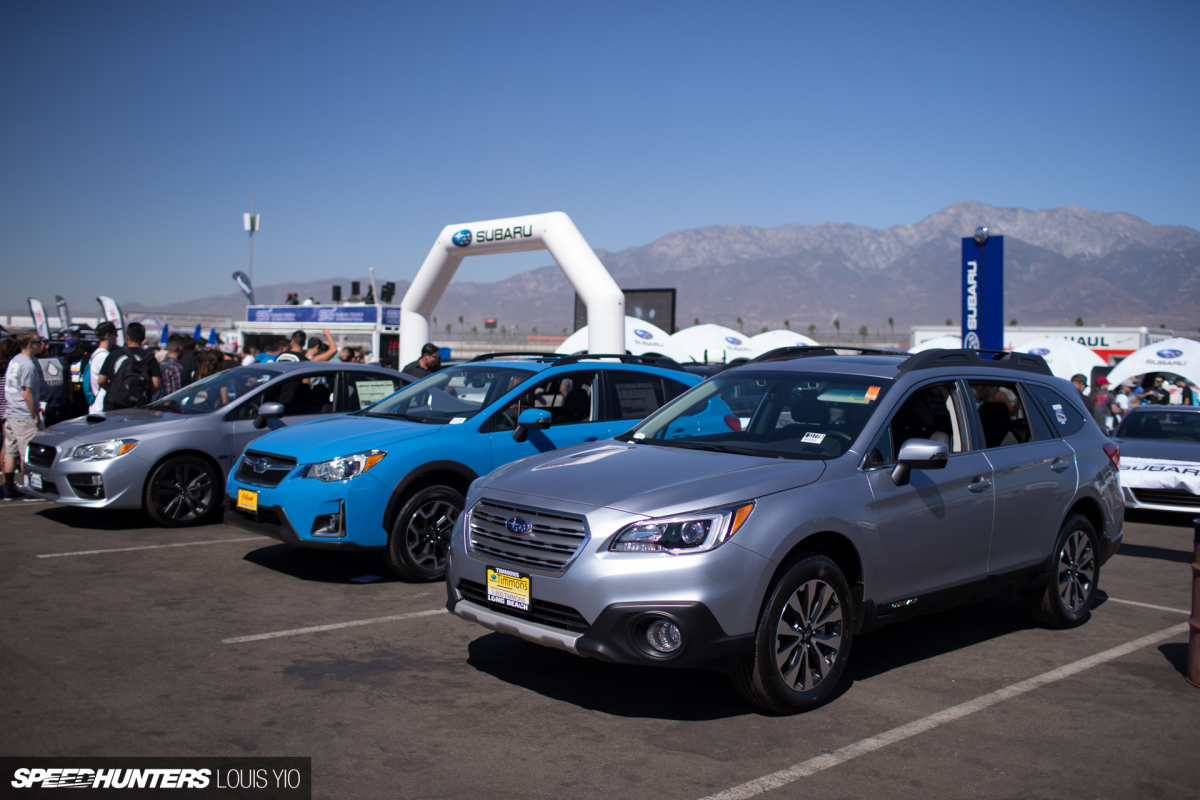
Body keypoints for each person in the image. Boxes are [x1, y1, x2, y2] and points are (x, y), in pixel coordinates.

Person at [3, 331, 46, 500]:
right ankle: (30, 490)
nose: (40, 344)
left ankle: (8, 489)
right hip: (23, 414)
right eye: (37, 341)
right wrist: (35, 414)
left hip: (12, 412)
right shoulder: (27, 364)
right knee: (27, 454)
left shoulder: (15, 360)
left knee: (11, 452)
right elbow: (27, 393)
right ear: (29, 344)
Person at [98, 322, 163, 410]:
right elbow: (155, 385)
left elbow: (101, 380)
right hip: (139, 408)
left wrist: (115, 390)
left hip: (113, 406)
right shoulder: (150, 358)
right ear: (143, 339)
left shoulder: (114, 355)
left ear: (127, 337)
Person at [86, 322, 118, 413]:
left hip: (95, 404)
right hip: (101, 405)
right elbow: (105, 381)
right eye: (115, 333)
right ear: (108, 335)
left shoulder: (95, 354)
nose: (117, 336)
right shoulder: (103, 356)